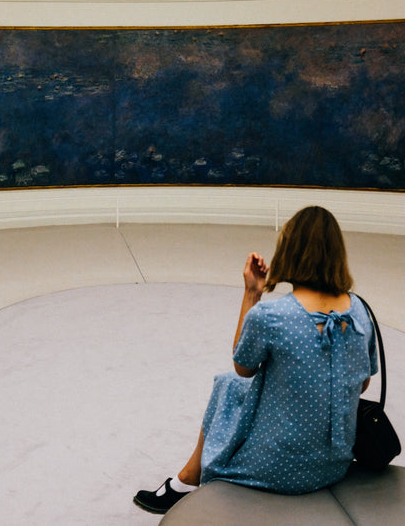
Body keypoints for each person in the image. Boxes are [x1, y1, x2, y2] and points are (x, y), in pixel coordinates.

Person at [133, 206, 378, 515]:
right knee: (235, 385)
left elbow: (243, 366)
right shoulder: (359, 311)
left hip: (281, 469)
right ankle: (186, 479)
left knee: (229, 381)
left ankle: (186, 481)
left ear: (289, 251)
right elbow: (363, 381)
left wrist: (252, 293)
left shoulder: (273, 315)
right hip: (335, 463)